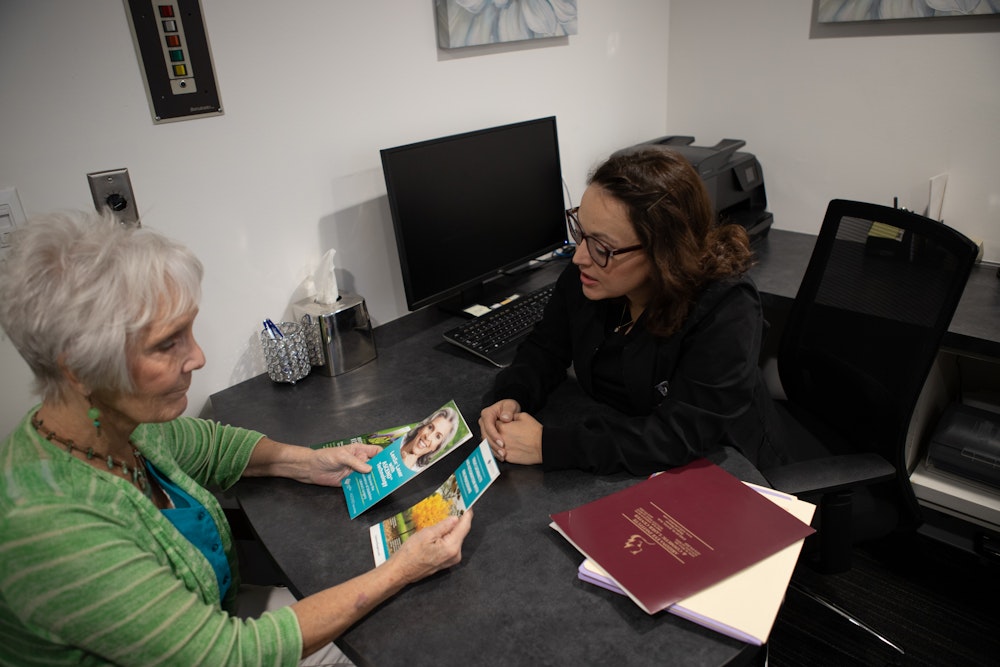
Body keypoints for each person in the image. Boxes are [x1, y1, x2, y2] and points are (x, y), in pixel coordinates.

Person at [0, 210, 473, 666]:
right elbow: (230, 655)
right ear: (78, 368)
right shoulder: (51, 530)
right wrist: (402, 568)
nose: (197, 357)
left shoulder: (122, 426)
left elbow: (212, 447)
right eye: (167, 344)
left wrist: (307, 462)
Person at [479, 147, 786, 476]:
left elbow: (680, 435)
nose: (580, 257)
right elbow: (546, 347)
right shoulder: (592, 274)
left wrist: (549, 445)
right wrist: (512, 396)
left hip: (725, 465)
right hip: (626, 445)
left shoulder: (726, 306)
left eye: (602, 246)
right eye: (581, 232)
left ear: (663, 252)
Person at [398, 406, 460, 470]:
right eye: (430, 427)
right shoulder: (398, 433)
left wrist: (404, 469)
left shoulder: (420, 471)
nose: (428, 437)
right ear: (421, 427)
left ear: (437, 447)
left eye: (438, 436)